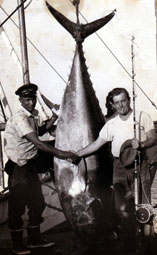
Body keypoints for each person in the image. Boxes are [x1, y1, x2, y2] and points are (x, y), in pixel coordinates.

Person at [4, 83, 79, 255]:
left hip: (30, 167)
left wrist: (53, 117)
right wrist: (63, 154)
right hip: (19, 168)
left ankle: (34, 240)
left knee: (37, 202)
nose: (30, 103)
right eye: (27, 100)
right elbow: (37, 142)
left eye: (32, 99)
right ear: (20, 100)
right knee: (17, 207)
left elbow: (40, 131)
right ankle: (17, 244)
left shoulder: (33, 116)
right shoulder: (20, 119)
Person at [77, 87, 156, 243]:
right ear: (112, 105)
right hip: (119, 166)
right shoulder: (111, 124)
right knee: (121, 208)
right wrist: (76, 154)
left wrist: (141, 143)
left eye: (123, 101)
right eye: (117, 103)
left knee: (143, 205)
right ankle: (130, 239)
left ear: (129, 100)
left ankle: (147, 240)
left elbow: (153, 138)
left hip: (139, 163)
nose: (121, 105)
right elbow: (96, 144)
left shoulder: (142, 116)